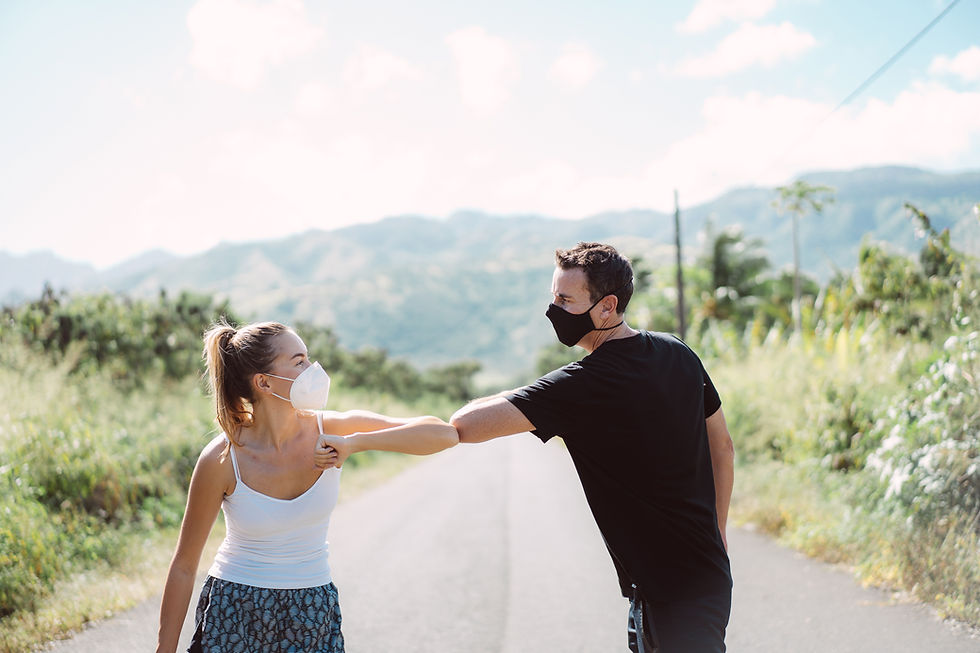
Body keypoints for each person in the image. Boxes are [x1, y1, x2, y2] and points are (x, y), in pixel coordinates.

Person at [449, 242, 735, 653]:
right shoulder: (678, 352)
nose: (555, 311)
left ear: (606, 306)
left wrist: (533, 391)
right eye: (553, 298)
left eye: (565, 300)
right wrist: (718, 530)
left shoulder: (582, 384)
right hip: (702, 574)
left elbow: (465, 425)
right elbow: (722, 446)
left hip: (668, 588)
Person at [156, 321, 458, 653]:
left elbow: (442, 434)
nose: (313, 370)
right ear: (264, 382)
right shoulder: (223, 457)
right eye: (299, 361)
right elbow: (184, 565)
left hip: (311, 610)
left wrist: (355, 444)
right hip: (235, 609)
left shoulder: (333, 427)